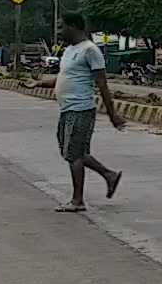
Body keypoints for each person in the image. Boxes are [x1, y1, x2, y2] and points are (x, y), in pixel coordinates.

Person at [52, 13, 125, 212]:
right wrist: (39, 83)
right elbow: (66, 77)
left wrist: (112, 114)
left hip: (81, 108)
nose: (59, 31)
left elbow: (102, 84)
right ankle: (109, 175)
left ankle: (77, 201)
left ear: (74, 26)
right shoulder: (68, 51)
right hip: (67, 109)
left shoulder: (90, 50)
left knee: (74, 154)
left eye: (61, 27)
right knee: (73, 152)